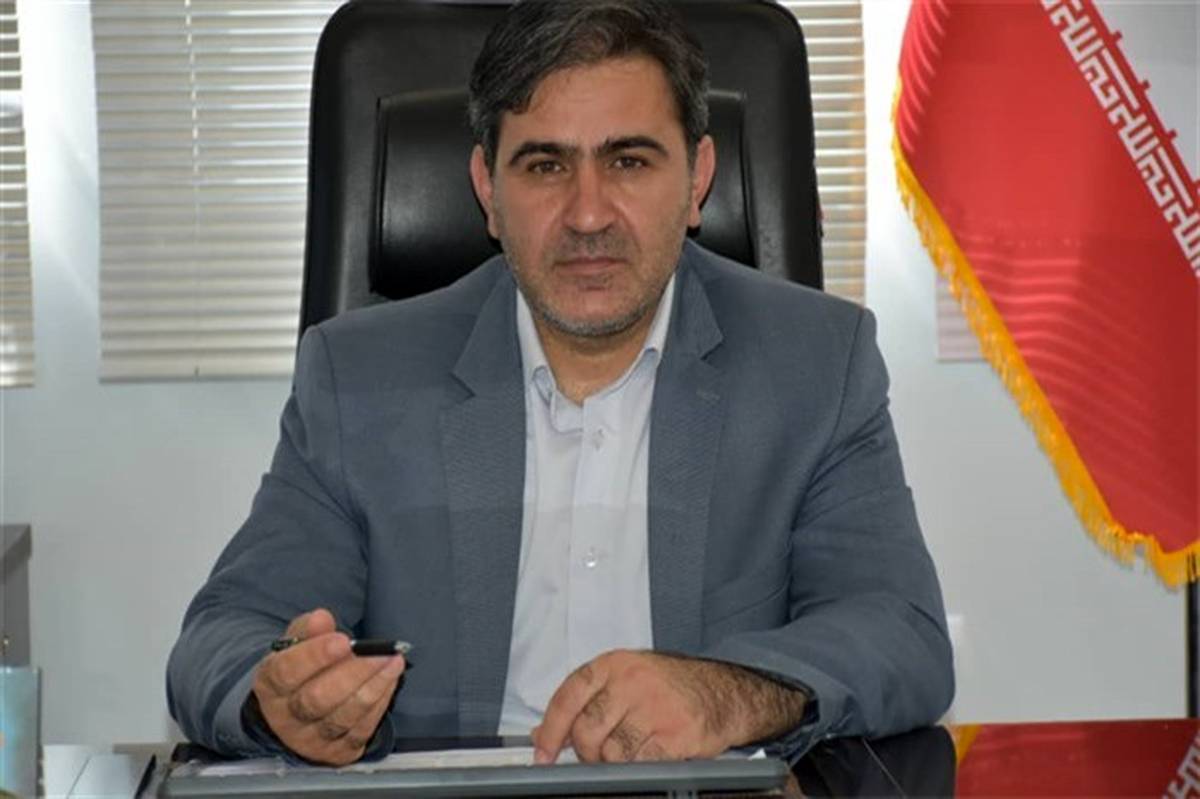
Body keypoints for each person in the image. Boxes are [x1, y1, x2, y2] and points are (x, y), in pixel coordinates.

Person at [167, 0, 953, 768]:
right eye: (545, 165)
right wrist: (280, 698)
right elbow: (220, 640)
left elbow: (900, 632)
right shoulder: (358, 379)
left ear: (698, 178)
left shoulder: (817, 364)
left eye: (629, 161)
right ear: (488, 189)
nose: (587, 215)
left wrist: (728, 694)